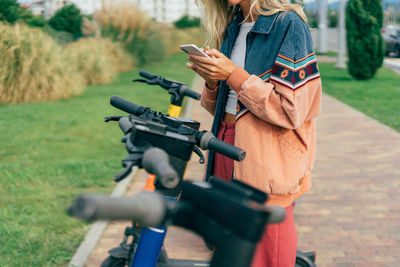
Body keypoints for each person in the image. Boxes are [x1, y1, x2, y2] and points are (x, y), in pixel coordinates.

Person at [186, 0, 322, 266]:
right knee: (230, 252)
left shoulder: (288, 24)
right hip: (224, 142)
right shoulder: (233, 25)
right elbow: (220, 107)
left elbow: (291, 110)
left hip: (267, 153)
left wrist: (233, 74)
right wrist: (213, 80)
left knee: (268, 254)